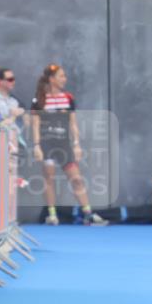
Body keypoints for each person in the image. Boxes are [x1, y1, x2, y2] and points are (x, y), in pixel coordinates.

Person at [30, 64, 108, 226]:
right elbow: (35, 125)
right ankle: (52, 215)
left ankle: (88, 213)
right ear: (51, 79)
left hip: (64, 144)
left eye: (64, 76)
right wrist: (36, 145)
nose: (64, 79)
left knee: (76, 179)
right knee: (49, 178)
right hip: (47, 144)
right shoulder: (39, 99)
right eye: (61, 76)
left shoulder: (68, 98)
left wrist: (77, 144)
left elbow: (73, 124)